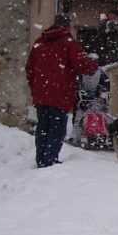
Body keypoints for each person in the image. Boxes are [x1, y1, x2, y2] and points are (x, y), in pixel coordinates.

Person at [25, 14, 98, 168]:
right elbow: (82, 65)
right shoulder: (69, 44)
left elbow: (29, 69)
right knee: (57, 128)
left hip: (41, 95)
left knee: (43, 127)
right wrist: (93, 65)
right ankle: (49, 160)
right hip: (60, 95)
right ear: (68, 26)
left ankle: (40, 158)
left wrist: (35, 89)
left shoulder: (39, 43)